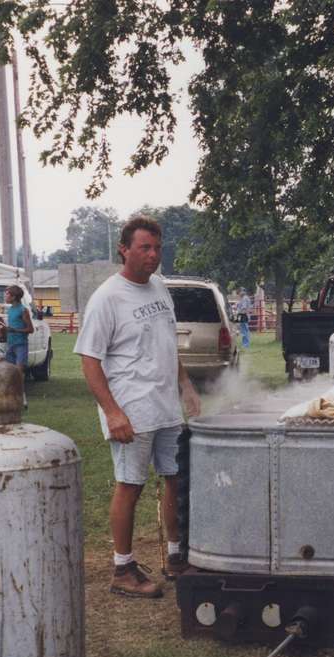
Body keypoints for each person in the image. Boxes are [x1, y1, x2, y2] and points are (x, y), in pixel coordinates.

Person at [74, 215, 202, 598]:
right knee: (130, 485)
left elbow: (167, 346)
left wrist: (186, 387)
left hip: (165, 408)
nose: (153, 255)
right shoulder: (107, 297)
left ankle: (176, 556)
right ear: (124, 249)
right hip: (131, 409)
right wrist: (113, 412)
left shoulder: (160, 288)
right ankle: (122, 568)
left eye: (157, 247)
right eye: (145, 247)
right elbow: (89, 360)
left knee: (175, 478)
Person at [1, 284, 34, 407]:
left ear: (14, 297)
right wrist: (4, 330)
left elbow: (30, 329)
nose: (5, 296)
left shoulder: (23, 310)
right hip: (11, 345)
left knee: (19, 372)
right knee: (10, 373)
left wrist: (15, 330)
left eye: (7, 294)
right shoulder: (10, 310)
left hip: (21, 345)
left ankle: (22, 398)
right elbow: (11, 328)